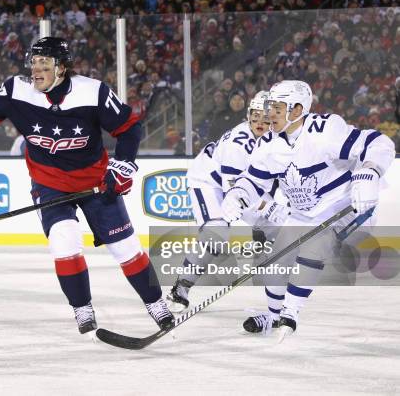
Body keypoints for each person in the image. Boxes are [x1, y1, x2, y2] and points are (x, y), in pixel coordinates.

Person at [0, 37, 174, 337]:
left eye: (45, 63)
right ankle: (82, 308)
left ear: (62, 68)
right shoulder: (17, 90)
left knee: (126, 248)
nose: (36, 69)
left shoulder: (92, 91)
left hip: (95, 181)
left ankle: (156, 303)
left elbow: (129, 128)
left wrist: (122, 167)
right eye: (34, 62)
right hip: (50, 184)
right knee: (64, 241)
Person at [221, 80, 395, 340]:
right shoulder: (269, 143)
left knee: (315, 246)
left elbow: (380, 143)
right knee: (274, 260)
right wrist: (238, 193)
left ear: (296, 110)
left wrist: (369, 171)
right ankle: (272, 315)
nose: (270, 114)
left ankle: (290, 313)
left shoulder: (325, 131)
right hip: (304, 211)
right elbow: (254, 180)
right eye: (270, 107)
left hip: (345, 205)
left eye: (277, 108)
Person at [166, 90, 288, 312]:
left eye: (266, 118)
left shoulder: (276, 139)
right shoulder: (238, 143)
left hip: (238, 187)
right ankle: (180, 289)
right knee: (216, 233)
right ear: (248, 115)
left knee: (275, 227)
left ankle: (272, 286)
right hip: (209, 183)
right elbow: (233, 192)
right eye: (255, 117)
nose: (260, 123)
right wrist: (267, 207)